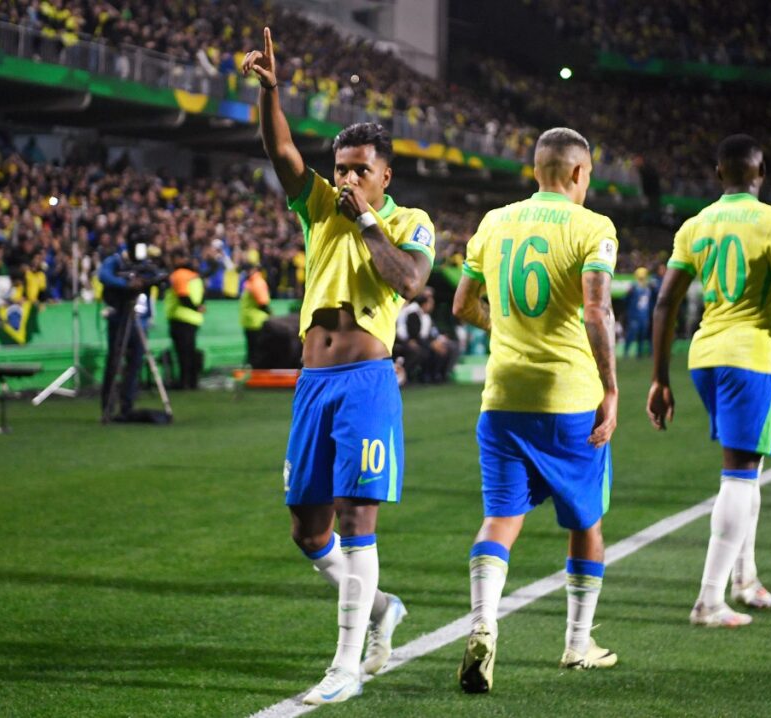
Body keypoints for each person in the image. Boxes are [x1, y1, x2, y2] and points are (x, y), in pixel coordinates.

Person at [243, 28, 436, 706]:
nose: (348, 178)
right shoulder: (318, 205)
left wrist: (368, 225)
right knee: (308, 530)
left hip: (366, 383)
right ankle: (381, 608)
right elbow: (282, 151)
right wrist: (270, 94)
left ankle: (346, 664)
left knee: (358, 519)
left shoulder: (409, 221)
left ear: (386, 174)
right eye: (343, 166)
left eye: (361, 168)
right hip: (312, 383)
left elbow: (409, 284)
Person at [648, 134, 771, 628]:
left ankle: (745, 578)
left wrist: (659, 379)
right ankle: (709, 600)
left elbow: (665, 304)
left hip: (704, 357)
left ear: (719, 173)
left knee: (748, 470)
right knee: (739, 475)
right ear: (761, 174)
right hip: (749, 357)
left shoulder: (695, 225)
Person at [452, 127, 620, 692]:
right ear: (577, 173)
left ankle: (481, 624)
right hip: (567, 398)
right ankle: (577, 644)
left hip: (501, 397)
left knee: (501, 517)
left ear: (535, 169)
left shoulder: (495, 221)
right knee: (586, 520)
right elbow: (596, 312)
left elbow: (461, 304)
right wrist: (612, 389)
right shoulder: (593, 226)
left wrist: (504, 330)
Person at [98, 238, 151, 420]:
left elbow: (154, 276)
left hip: (138, 319)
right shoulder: (115, 262)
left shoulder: (144, 264)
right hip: (119, 317)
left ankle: (127, 406)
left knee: (135, 364)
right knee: (115, 362)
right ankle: (108, 407)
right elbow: (103, 276)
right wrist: (126, 284)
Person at [395, 288, 459, 383]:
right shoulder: (413, 313)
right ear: (424, 304)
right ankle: (414, 376)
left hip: (420, 341)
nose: (432, 306)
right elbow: (414, 334)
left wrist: (436, 341)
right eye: (430, 303)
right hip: (405, 341)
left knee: (445, 348)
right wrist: (431, 344)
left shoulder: (425, 316)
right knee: (422, 351)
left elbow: (429, 333)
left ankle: (438, 374)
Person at [165, 248, 205, 390]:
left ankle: (184, 382)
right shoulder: (196, 276)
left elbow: (183, 296)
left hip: (181, 318)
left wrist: (194, 307)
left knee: (183, 354)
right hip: (194, 319)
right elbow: (201, 297)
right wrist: (198, 308)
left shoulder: (179, 275)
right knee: (190, 351)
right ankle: (193, 382)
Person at [240, 258, 271, 367]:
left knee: (256, 351)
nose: (246, 272)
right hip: (251, 321)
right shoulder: (251, 282)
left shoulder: (256, 283)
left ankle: (256, 374)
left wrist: (269, 315)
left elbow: (263, 303)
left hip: (256, 322)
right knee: (253, 350)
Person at [623, 267, 653, 357]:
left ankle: (639, 353)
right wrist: (628, 293)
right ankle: (626, 352)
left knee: (642, 335)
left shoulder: (648, 288)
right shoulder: (633, 287)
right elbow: (625, 300)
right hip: (634, 315)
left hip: (644, 316)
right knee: (631, 334)